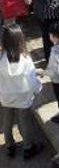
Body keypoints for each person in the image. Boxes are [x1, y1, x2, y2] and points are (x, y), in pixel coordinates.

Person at [0, 23, 44, 159]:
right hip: (23, 97)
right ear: (20, 39)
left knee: (6, 121)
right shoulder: (25, 59)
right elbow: (32, 81)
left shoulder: (0, 58)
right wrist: (38, 88)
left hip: (5, 96)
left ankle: (9, 146)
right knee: (24, 123)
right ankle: (28, 148)